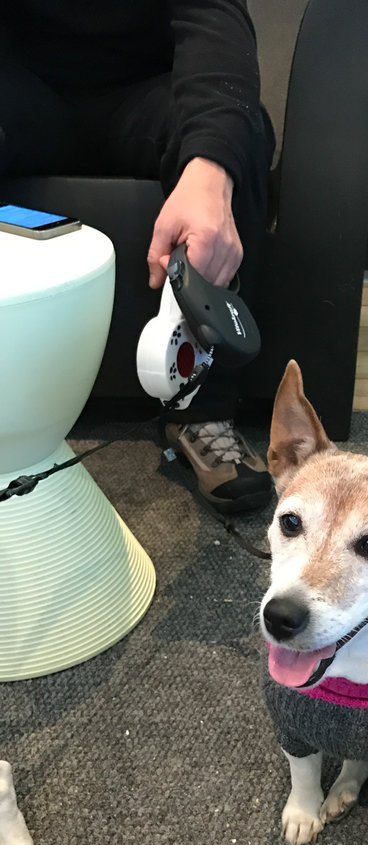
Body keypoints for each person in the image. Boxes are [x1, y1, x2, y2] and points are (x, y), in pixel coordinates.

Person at [0, 0, 276, 512]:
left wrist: (211, 172)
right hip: (23, 88)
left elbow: (213, 21)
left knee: (239, 131)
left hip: (146, 93)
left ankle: (203, 411)